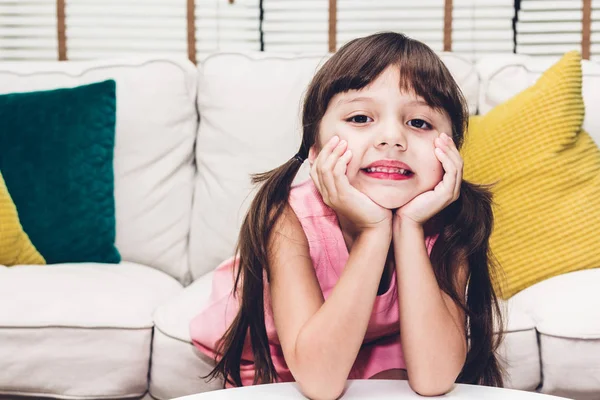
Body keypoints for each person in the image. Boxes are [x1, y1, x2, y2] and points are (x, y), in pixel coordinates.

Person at [190, 31, 505, 399]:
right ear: (316, 150)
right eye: (359, 117)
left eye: (419, 123)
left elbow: (434, 379)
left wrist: (408, 226)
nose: (391, 138)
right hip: (282, 352)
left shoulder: (453, 220)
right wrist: (374, 231)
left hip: (384, 342)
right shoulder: (285, 218)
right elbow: (319, 382)